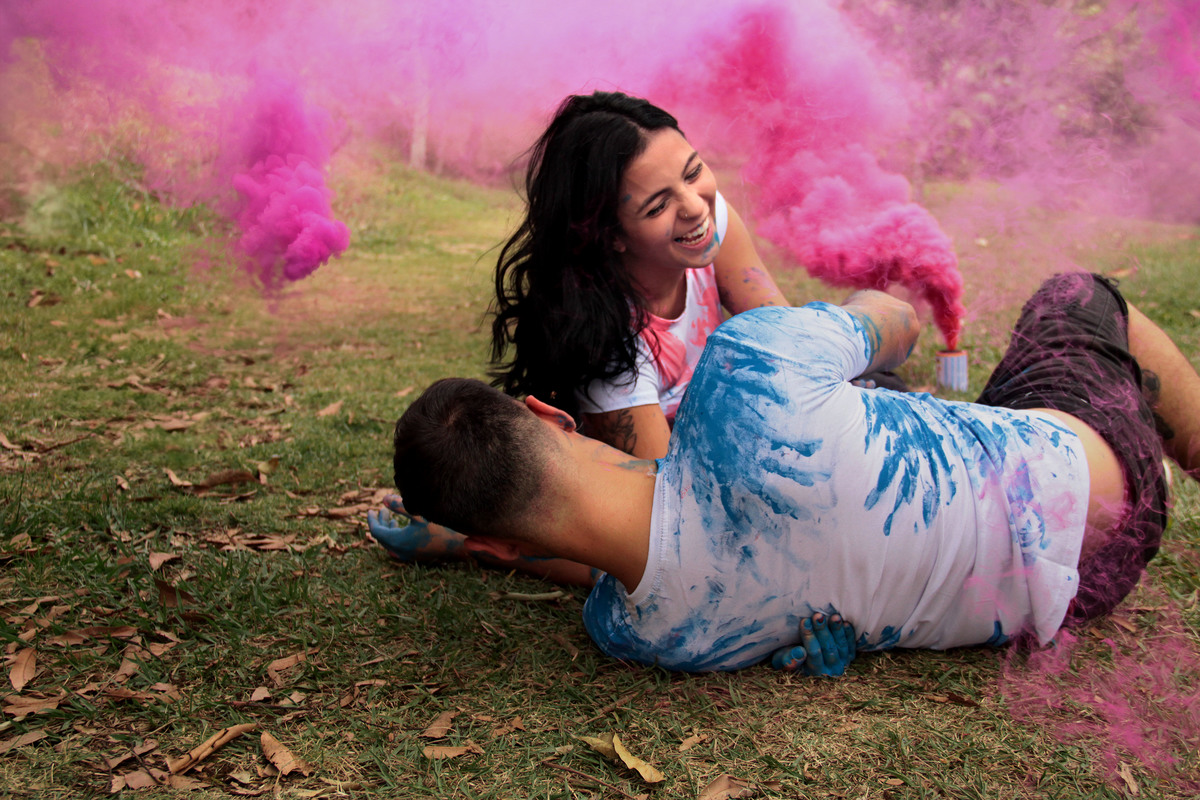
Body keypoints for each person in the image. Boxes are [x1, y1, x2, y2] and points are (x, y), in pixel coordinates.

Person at [387, 272, 1200, 673]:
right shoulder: (748, 364)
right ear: (548, 414)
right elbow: (899, 323)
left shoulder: (646, 637)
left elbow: (612, 556)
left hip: (1074, 599)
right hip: (1101, 486)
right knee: (1075, 294)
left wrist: (463, 545)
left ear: (497, 546)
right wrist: (860, 305)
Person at [369, 90, 897, 575]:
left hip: (740, 434)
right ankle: (474, 541)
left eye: (693, 172)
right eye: (657, 205)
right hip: (675, 475)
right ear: (611, 235)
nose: (694, 205)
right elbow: (673, 527)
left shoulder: (710, 225)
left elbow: (787, 349)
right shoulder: (607, 348)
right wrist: (461, 545)